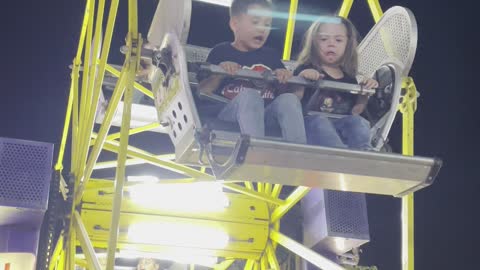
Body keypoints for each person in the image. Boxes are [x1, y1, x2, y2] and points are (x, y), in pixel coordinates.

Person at [198, 0, 306, 144]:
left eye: (267, 25)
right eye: (255, 22)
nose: (262, 29)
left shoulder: (271, 56)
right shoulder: (221, 52)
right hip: (230, 113)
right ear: (235, 24)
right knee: (250, 96)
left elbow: (284, 96)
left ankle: (298, 155)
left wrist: (283, 77)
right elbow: (202, 91)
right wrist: (220, 73)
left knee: (289, 99)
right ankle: (257, 150)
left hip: (265, 115)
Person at [294, 16, 378, 150]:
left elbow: (356, 111)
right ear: (314, 43)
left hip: (341, 126)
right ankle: (339, 153)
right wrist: (302, 79)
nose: (331, 44)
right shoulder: (306, 68)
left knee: (359, 122)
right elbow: (294, 101)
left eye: (338, 40)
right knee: (319, 121)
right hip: (311, 125)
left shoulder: (350, 77)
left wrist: (365, 91)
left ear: (347, 44)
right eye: (324, 39)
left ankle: (364, 152)